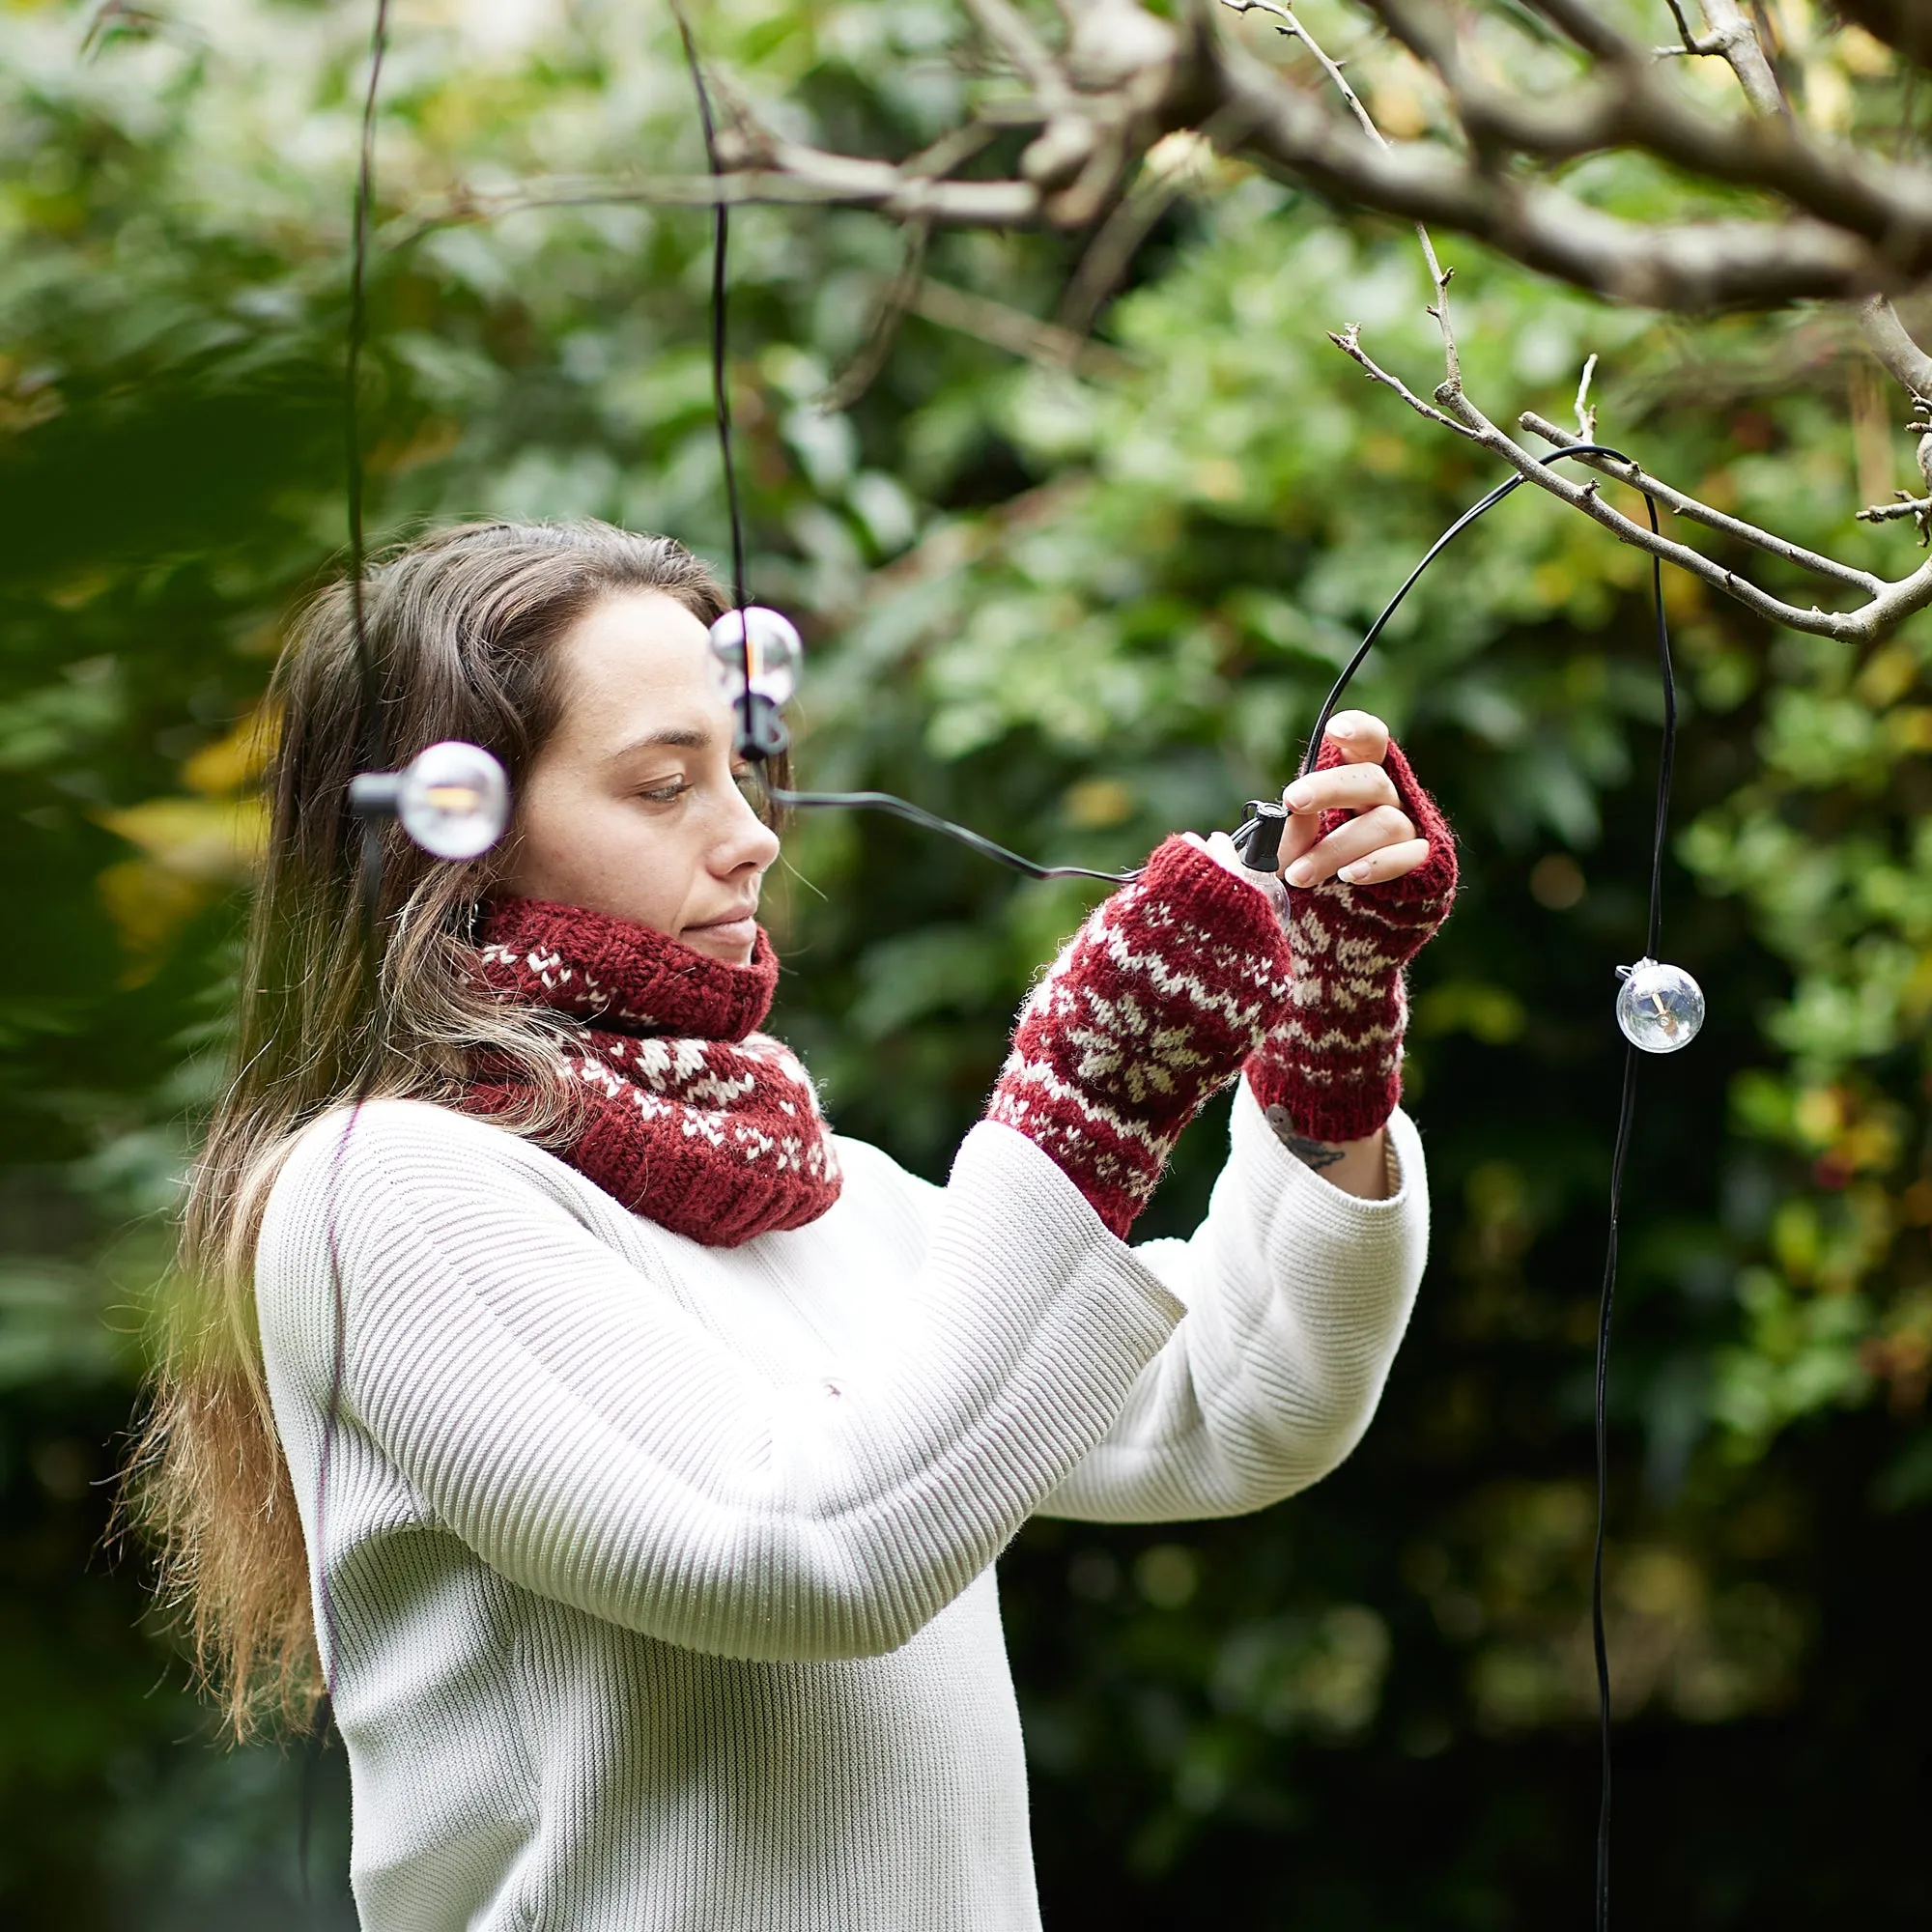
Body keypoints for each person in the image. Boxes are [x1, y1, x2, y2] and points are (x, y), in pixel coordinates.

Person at [133, 519, 1456, 1931]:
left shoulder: (815, 1191)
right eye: (663, 787)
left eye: (743, 772)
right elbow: (796, 1555)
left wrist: (1330, 1047)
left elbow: (1238, 1404)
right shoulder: (385, 1191)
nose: (754, 835)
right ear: (450, 841)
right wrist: (1085, 1107)